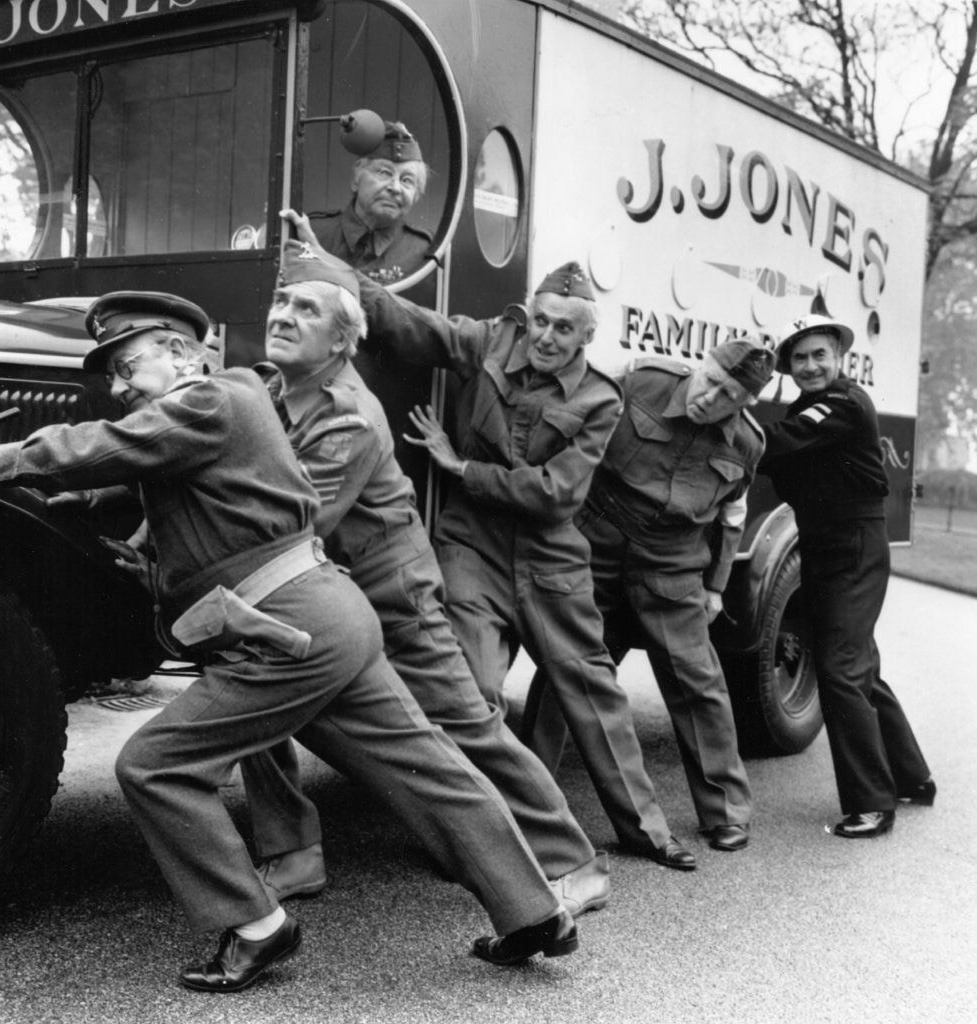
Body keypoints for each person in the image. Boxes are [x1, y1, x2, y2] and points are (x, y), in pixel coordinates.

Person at [0, 290, 578, 992]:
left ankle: (257, 926)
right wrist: (68, 504)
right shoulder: (202, 420)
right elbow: (138, 490)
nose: (117, 388)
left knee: (154, 765)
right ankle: (534, 912)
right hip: (324, 617)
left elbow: (110, 448)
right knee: (426, 767)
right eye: (110, 374)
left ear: (178, 354)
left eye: (126, 366)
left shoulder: (214, 400)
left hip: (286, 629)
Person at [240, 237, 609, 918]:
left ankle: (573, 863)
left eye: (304, 307)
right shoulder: (269, 388)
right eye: (280, 301)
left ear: (341, 340)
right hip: (324, 587)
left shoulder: (349, 411)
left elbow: (297, 522)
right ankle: (291, 851)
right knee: (246, 691)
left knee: (463, 722)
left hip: (389, 592)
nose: (284, 316)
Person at [337, 247, 698, 870]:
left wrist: (463, 467)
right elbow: (406, 321)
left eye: (564, 327)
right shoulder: (492, 342)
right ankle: (476, 837)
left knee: (590, 689)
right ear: (526, 317)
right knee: (469, 690)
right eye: (541, 320)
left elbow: (559, 492)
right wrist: (329, 267)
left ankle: (646, 830)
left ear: (587, 336)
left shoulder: (600, 399)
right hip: (470, 545)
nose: (547, 337)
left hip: (550, 556)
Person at [522, 341, 775, 854]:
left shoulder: (748, 443)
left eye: (729, 395)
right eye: (712, 381)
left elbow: (731, 514)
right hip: (596, 540)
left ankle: (725, 810)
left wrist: (716, 587)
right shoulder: (639, 379)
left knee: (698, 679)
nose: (711, 397)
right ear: (701, 366)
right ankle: (524, 799)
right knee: (566, 671)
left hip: (672, 560)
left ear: (744, 403)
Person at [757, 314, 935, 838]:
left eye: (819, 355)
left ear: (839, 358)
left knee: (839, 668)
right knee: (859, 666)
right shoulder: (807, 406)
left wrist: (715, 417)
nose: (810, 366)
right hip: (826, 545)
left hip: (853, 546)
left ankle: (871, 805)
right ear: (788, 366)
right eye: (799, 358)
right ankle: (912, 777)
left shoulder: (843, 402)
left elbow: (777, 444)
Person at [307, 120, 432, 284]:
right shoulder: (312, 233)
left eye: (407, 180)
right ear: (356, 179)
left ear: (416, 195)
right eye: (384, 172)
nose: (395, 188)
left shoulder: (424, 250)